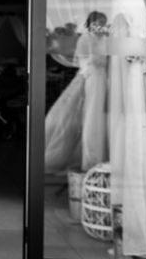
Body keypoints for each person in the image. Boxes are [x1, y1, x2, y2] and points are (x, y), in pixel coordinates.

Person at [44, 11, 108, 174]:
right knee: (86, 115)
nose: (102, 26)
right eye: (99, 23)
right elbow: (91, 61)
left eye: (103, 23)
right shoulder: (86, 39)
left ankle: (97, 155)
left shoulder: (102, 39)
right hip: (92, 78)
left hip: (100, 79)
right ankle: (89, 157)